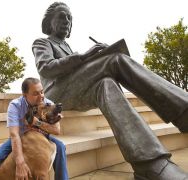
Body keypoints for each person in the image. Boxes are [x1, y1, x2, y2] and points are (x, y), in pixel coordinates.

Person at [32, 2, 188, 180]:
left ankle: (149, 164)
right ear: (49, 22)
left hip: (77, 91)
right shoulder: (41, 43)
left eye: (69, 18)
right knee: (114, 60)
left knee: (106, 84)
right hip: (56, 94)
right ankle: (184, 112)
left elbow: (77, 71)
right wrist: (85, 56)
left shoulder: (67, 47)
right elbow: (46, 68)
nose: (67, 21)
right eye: (62, 16)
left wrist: (92, 58)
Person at [0, 77, 68, 180]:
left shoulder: (47, 103)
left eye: (42, 92)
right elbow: (14, 135)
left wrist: (37, 123)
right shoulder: (15, 105)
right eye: (36, 93)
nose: (41, 96)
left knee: (61, 147)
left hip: (42, 136)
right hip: (21, 136)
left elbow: (56, 130)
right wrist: (19, 162)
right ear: (25, 95)